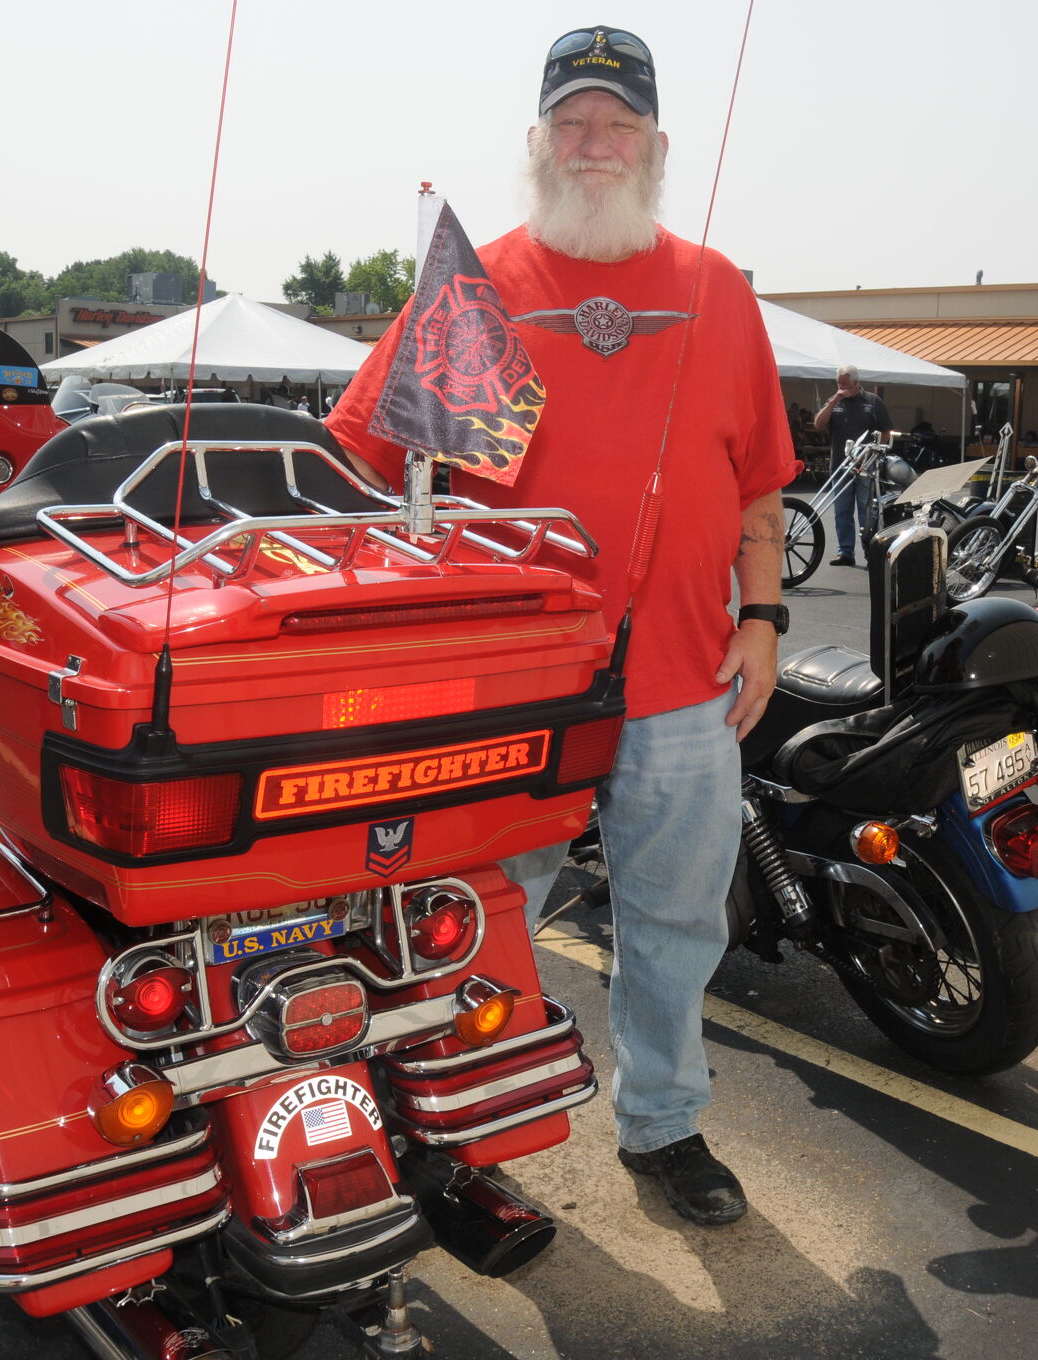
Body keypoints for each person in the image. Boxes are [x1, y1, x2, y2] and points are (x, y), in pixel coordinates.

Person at [327, 25, 793, 1227]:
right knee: (481, 911)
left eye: (616, 124)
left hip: (687, 675)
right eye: (572, 124)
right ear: (537, 143)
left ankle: (664, 1124)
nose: (594, 144)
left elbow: (756, 481)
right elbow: (364, 469)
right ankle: (455, 1127)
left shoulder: (716, 288)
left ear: (655, 146)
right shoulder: (473, 287)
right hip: (508, 687)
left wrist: (762, 618)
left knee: (677, 915)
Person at [811, 363, 889, 565]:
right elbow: (819, 425)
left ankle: (870, 551)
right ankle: (845, 551)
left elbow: (886, 431)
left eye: (845, 384)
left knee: (866, 512)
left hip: (866, 465)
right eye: (839, 383)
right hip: (840, 464)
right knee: (842, 511)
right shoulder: (834, 401)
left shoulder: (872, 401)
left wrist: (873, 454)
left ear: (856, 382)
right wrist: (833, 401)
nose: (841, 387)